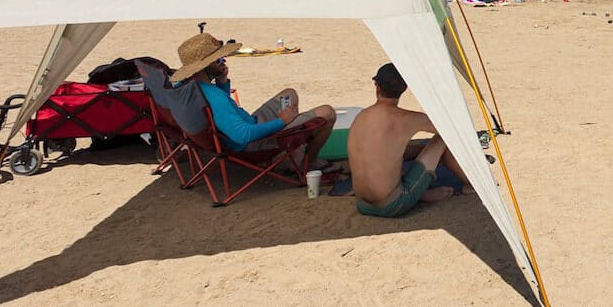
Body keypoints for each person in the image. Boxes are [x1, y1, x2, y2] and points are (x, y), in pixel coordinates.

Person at [172, 31, 335, 161]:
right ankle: (307, 162)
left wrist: (222, 82)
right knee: (327, 113)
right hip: (254, 141)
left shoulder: (190, 88)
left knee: (289, 94)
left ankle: (293, 150)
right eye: (219, 60)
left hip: (245, 126)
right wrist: (282, 121)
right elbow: (243, 136)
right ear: (204, 66)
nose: (224, 62)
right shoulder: (215, 97)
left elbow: (221, 114)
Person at [348, 63, 472, 218]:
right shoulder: (407, 119)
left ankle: (422, 194)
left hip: (362, 205)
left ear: (377, 87)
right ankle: (471, 184)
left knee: (395, 155)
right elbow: (452, 129)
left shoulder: (361, 116)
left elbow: (382, 154)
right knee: (443, 138)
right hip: (391, 206)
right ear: (404, 88)